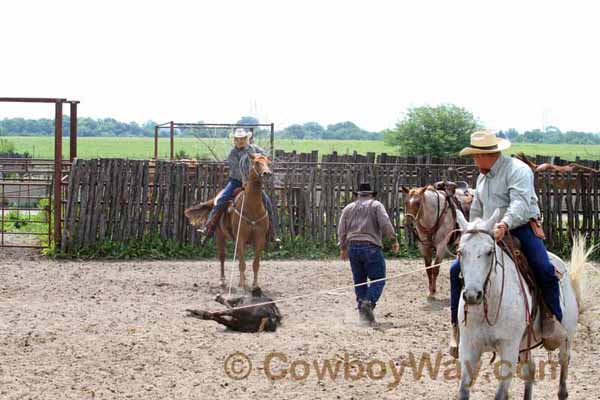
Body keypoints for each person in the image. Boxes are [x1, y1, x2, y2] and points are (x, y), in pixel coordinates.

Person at [448, 129, 567, 358]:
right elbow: (477, 210)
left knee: (543, 268)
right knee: (455, 270)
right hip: (489, 231)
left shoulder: (518, 171)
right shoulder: (483, 177)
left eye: (475, 155)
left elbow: (520, 204)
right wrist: (473, 232)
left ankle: (551, 317)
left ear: (487, 154)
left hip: (521, 227)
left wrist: (504, 224)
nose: (474, 160)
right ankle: (456, 326)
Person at [199, 128, 279, 244]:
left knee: (267, 203)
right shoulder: (233, 153)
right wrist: (244, 180)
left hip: (253, 183)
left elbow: (266, 159)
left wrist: (262, 159)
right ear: (235, 140)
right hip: (236, 181)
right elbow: (235, 170)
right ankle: (208, 227)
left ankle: (273, 233)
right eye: (238, 139)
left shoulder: (255, 149)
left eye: (243, 139)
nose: (240, 141)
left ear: (247, 139)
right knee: (221, 199)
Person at [337, 183, 400, 325]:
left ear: (358, 194)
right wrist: (393, 240)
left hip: (353, 247)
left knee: (359, 281)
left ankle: (364, 316)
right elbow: (385, 223)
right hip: (371, 246)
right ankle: (368, 303)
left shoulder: (348, 208)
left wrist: (343, 247)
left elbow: (341, 229)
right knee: (378, 279)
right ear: (371, 194)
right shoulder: (376, 205)